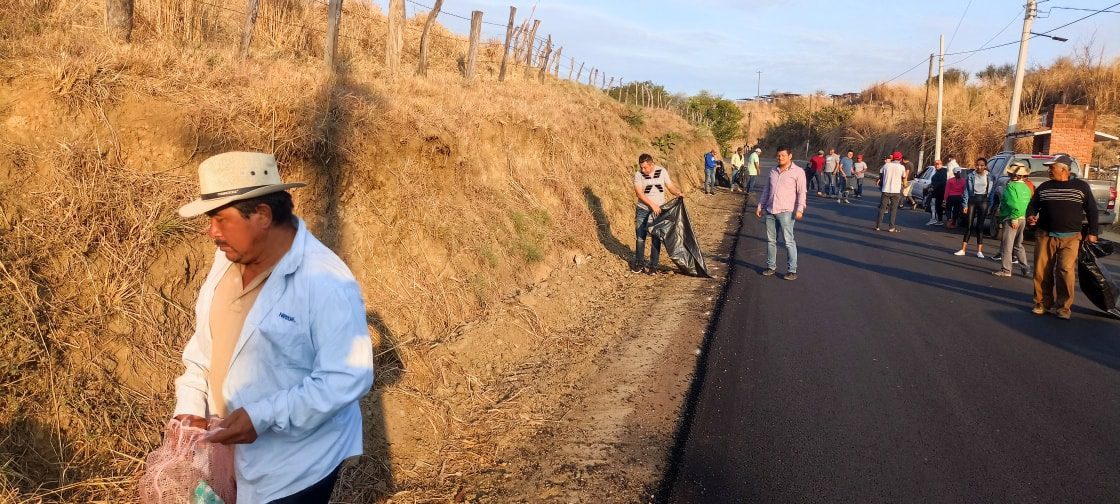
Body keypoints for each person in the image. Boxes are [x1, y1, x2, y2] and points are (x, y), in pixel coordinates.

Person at [173, 152, 375, 503]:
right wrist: (191, 403)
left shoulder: (326, 281)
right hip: (235, 453)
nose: (211, 232)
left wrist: (261, 416)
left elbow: (347, 377)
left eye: (220, 219)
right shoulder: (227, 259)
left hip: (296, 466)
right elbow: (209, 344)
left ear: (263, 216)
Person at [1025, 154, 1100, 319]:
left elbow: (1092, 210)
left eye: (1052, 167)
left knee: (1065, 270)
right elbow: (1032, 206)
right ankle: (1042, 303)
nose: (1049, 170)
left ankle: (1064, 307)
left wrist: (1093, 233)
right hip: (1045, 234)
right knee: (1041, 270)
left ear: (1064, 169)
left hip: (1071, 237)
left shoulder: (1081, 187)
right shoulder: (1044, 187)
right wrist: (1030, 216)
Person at [756, 145, 807, 281]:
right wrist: (760, 205)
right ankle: (771, 266)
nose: (780, 158)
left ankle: (792, 270)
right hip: (770, 210)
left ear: (790, 156)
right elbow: (767, 190)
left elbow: (802, 192)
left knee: (789, 241)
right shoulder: (773, 171)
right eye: (778, 155)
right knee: (771, 241)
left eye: (783, 155)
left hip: (786, 212)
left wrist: (800, 209)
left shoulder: (798, 172)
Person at [633, 153, 685, 274]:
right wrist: (652, 205)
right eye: (641, 167)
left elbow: (670, 186)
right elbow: (639, 194)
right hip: (643, 209)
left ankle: (653, 266)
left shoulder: (662, 171)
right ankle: (639, 263)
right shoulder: (638, 175)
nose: (642, 169)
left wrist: (678, 193)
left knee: (656, 237)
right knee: (641, 237)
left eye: (645, 167)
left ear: (652, 165)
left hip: (658, 210)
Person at [992, 160, 1033, 278]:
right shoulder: (1025, 187)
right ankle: (1025, 268)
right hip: (1023, 218)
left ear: (1013, 175)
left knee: (1007, 245)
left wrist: (1014, 217)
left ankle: (1006, 270)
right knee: (1018, 244)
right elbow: (1025, 203)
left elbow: (1013, 203)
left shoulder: (1011, 186)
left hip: (1011, 218)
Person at [954, 157, 993, 257]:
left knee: (980, 226)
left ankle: (979, 251)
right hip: (972, 199)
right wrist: (965, 204)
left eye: (981, 165)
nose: (979, 167)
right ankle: (963, 249)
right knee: (969, 225)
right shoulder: (971, 175)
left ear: (985, 166)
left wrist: (990, 205)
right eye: (977, 165)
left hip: (984, 200)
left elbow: (992, 192)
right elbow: (966, 190)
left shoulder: (990, 177)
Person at [875, 151, 907, 232]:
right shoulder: (902, 167)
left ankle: (878, 226)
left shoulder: (886, 165)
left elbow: (881, 175)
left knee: (882, 208)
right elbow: (904, 177)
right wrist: (905, 185)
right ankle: (891, 227)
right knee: (893, 210)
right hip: (896, 191)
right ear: (900, 159)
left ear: (892, 158)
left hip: (885, 189)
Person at [925, 159, 947, 225]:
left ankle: (936, 220)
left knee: (936, 206)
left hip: (939, 192)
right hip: (935, 192)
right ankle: (936, 219)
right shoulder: (937, 172)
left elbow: (942, 182)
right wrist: (930, 186)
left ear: (941, 164)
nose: (937, 165)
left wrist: (933, 188)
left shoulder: (942, 172)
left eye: (938, 164)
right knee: (934, 206)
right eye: (935, 164)